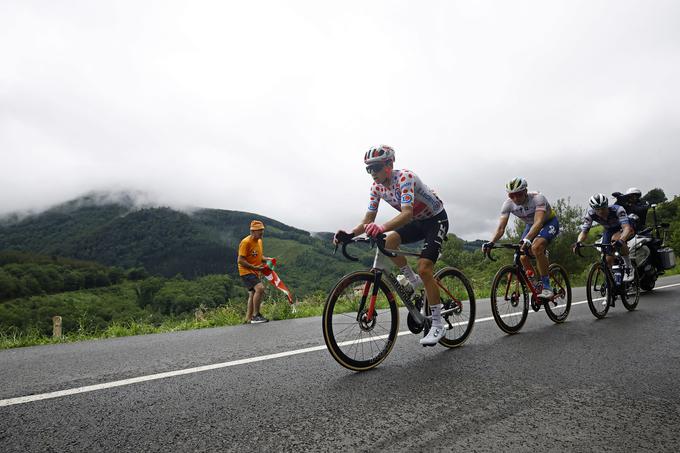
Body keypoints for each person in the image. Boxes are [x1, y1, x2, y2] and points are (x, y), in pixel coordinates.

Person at [334, 145, 449, 346]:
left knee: (425, 268)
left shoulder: (405, 178)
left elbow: (407, 214)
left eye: (376, 167)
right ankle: (413, 281)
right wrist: (349, 234)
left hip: (435, 220)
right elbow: (368, 219)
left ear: (389, 165)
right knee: (389, 241)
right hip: (417, 223)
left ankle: (438, 324)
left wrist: (381, 227)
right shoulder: (376, 188)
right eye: (368, 169)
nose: (372, 173)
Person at [482, 177, 560, 299]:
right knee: (522, 255)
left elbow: (539, 222)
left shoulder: (538, 198)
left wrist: (528, 239)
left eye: (518, 194)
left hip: (548, 222)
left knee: (536, 247)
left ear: (525, 191)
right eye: (511, 195)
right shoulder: (508, 204)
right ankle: (536, 285)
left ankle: (546, 286)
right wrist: (491, 242)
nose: (515, 199)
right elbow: (501, 228)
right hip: (530, 225)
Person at [573, 193, 635, 283]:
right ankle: (611, 282)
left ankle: (629, 266)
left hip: (625, 227)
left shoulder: (617, 209)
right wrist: (578, 242)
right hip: (609, 229)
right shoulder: (590, 214)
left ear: (607, 205)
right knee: (607, 259)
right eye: (598, 209)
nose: (601, 211)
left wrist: (621, 240)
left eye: (603, 208)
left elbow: (626, 228)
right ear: (593, 208)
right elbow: (584, 232)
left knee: (616, 240)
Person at [237, 220, 272, 324]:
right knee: (260, 288)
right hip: (246, 271)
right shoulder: (246, 242)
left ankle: (248, 318)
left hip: (255, 271)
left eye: (262, 230)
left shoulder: (259, 241)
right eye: (259, 230)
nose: (261, 232)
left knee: (253, 293)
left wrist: (268, 259)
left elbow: (259, 256)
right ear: (252, 231)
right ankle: (256, 316)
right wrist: (256, 268)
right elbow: (240, 260)